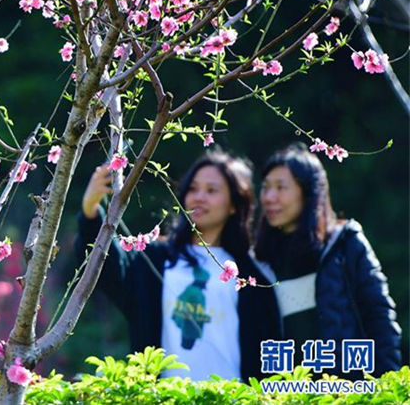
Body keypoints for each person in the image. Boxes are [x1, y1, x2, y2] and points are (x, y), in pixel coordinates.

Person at [75, 151, 281, 380]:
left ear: (234, 204)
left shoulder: (251, 276)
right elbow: (104, 268)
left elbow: (269, 350)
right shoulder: (155, 259)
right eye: (193, 189)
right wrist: (91, 210)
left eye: (211, 190)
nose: (199, 197)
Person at [254, 144, 401, 377]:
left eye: (281, 188)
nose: (269, 197)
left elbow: (379, 318)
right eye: (265, 188)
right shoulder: (259, 262)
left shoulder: (346, 245)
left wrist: (384, 387)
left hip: (349, 393)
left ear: (309, 192)